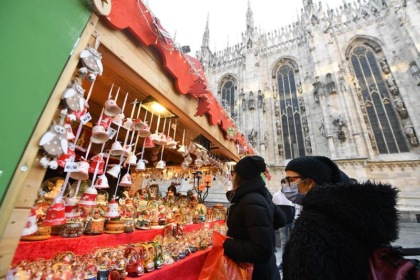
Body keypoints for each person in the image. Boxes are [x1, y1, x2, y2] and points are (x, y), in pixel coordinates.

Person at [281, 156, 399, 280]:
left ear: (310, 182)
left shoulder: (313, 225)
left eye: (290, 180)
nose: (286, 185)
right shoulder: (359, 215)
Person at [223, 155, 287, 280]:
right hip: (267, 268)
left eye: (234, 174)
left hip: (255, 272)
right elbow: (281, 219)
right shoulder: (262, 195)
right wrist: (262, 231)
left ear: (241, 177)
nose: (233, 177)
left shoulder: (250, 200)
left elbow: (261, 250)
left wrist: (226, 244)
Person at [272, 178, 296, 270]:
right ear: (281, 184)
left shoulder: (292, 195)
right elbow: (274, 209)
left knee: (294, 241)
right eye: (284, 184)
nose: (286, 186)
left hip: (292, 221)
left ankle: (293, 261)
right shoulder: (276, 195)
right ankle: (283, 262)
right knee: (284, 242)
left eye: (287, 184)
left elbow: (296, 207)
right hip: (283, 223)